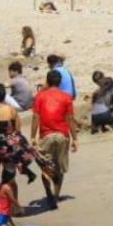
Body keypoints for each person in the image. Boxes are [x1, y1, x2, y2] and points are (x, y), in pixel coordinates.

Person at [31, 70, 78, 209]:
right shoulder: (66, 97)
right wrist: (75, 138)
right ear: (60, 82)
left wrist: (32, 136)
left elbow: (35, 118)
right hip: (62, 135)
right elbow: (70, 119)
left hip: (46, 135)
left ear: (47, 81)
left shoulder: (39, 97)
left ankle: (48, 188)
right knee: (59, 168)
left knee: (46, 166)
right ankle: (56, 196)